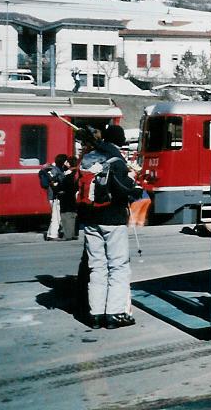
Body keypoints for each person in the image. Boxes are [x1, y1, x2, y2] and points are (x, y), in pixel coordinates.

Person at [81, 124, 141, 329]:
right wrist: (134, 183)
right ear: (119, 140)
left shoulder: (89, 157)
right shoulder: (116, 159)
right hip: (112, 219)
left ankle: (96, 314)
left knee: (97, 266)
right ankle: (114, 313)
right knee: (118, 266)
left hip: (90, 219)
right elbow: (123, 190)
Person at [40, 154, 69, 241]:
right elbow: (55, 183)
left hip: (53, 196)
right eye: (66, 161)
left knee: (56, 216)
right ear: (63, 161)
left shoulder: (54, 169)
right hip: (55, 196)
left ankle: (53, 233)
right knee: (56, 216)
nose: (68, 162)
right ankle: (52, 235)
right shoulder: (55, 170)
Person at [58, 155, 79, 240]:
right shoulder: (77, 173)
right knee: (73, 216)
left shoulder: (68, 175)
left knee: (66, 216)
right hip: (75, 198)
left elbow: (65, 187)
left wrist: (60, 190)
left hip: (67, 198)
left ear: (69, 164)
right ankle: (74, 233)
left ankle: (68, 235)